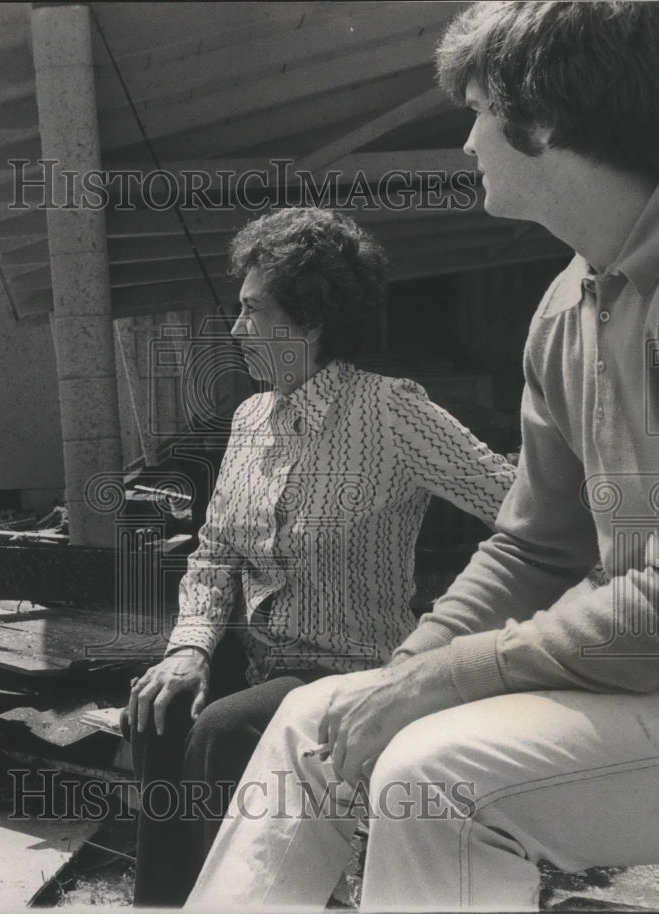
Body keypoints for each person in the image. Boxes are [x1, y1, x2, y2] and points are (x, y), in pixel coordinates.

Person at [186, 3, 659, 910]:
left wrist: (448, 678)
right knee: (317, 719)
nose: (470, 140)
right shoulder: (567, 304)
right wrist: (407, 672)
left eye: (478, 109)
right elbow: (533, 547)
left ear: (542, 119)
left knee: (431, 777)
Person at [124, 206, 520, 906]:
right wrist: (187, 647)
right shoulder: (250, 419)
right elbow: (215, 554)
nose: (236, 329)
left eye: (252, 312)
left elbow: (514, 502)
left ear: (308, 319)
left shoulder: (392, 412)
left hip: (349, 670)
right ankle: (163, 901)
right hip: (261, 658)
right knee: (161, 700)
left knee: (221, 729)